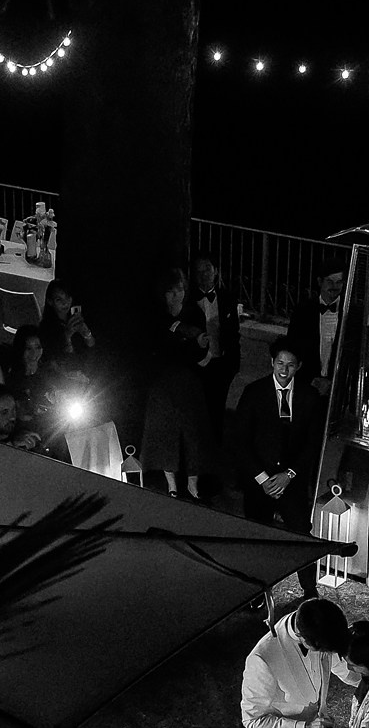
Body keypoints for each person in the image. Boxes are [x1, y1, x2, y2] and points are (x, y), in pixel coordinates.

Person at [229, 336, 328, 600]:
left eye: (290, 365)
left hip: (292, 481)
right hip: (259, 481)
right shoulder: (254, 392)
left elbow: (312, 443)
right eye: (280, 363)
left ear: (299, 367)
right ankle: (257, 592)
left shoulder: (309, 396)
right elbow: (240, 441)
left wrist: (289, 475)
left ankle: (309, 590)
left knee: (301, 534)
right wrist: (263, 479)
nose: (284, 370)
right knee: (258, 537)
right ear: (272, 362)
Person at [241, 595, 352, 728]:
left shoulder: (320, 626)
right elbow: (252, 720)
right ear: (304, 638)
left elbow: (345, 668)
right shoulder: (263, 658)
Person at [139, 267, 216, 499]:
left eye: (180, 289)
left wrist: (198, 342)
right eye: (172, 291)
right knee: (164, 432)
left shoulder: (193, 312)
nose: (177, 295)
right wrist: (180, 335)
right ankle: (170, 483)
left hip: (187, 379)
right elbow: (156, 345)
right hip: (162, 380)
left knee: (192, 432)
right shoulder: (156, 314)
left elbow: (198, 346)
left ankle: (193, 483)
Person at [190, 254, 242, 422]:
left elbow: (234, 333)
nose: (203, 274)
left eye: (207, 269)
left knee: (217, 409)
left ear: (216, 271)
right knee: (197, 410)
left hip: (221, 363)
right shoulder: (189, 300)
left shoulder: (227, 298)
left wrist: (233, 364)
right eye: (199, 271)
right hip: (197, 364)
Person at [287, 269, 347, 383]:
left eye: (339, 282)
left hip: (339, 386)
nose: (334, 286)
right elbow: (293, 347)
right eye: (330, 281)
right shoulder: (303, 311)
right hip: (307, 384)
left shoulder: (350, 314)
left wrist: (331, 383)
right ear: (320, 282)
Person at [3, 325, 58, 435]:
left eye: (38, 347)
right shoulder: (12, 377)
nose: (34, 354)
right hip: (25, 433)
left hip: (52, 429)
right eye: (28, 348)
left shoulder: (49, 372)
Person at [38, 280, 98, 373]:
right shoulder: (46, 328)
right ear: (50, 301)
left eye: (67, 297)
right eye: (59, 300)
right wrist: (67, 336)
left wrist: (87, 333)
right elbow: (58, 360)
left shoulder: (76, 319)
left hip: (85, 373)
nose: (65, 303)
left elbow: (93, 350)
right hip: (64, 377)